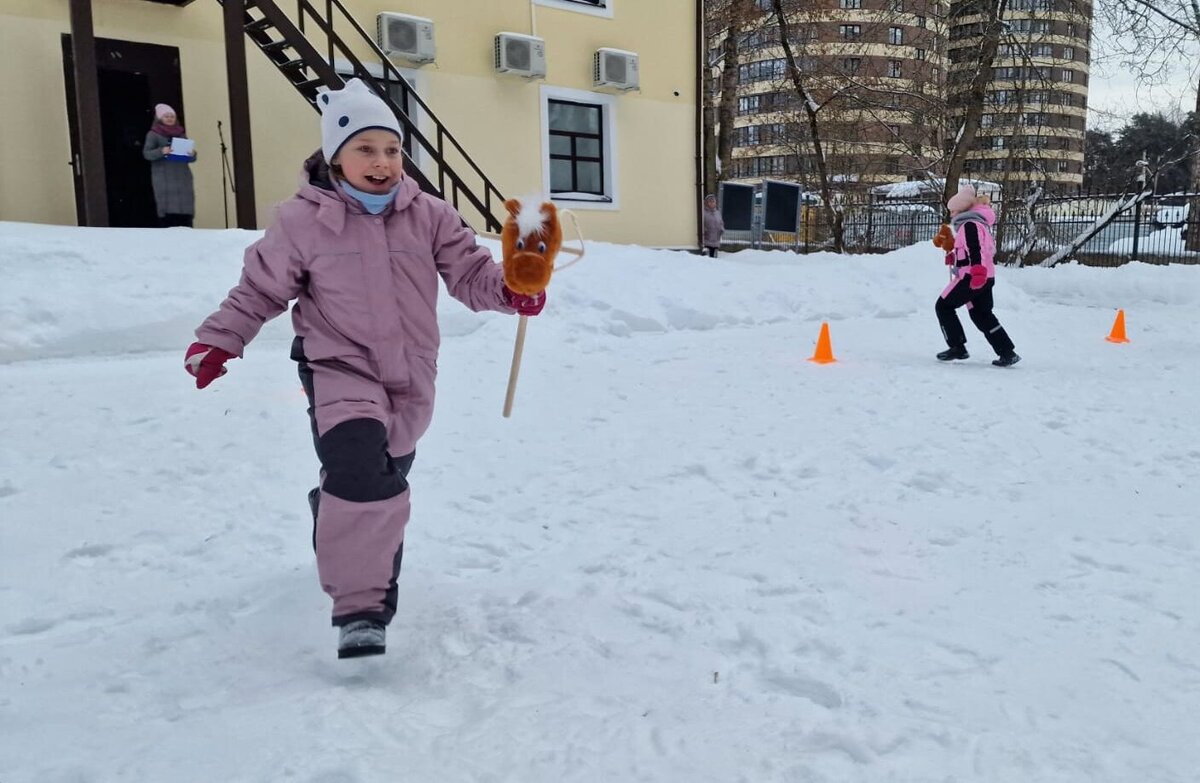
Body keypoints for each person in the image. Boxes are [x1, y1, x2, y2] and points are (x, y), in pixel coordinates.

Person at [182, 79, 546, 659]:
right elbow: (259, 290)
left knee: (385, 473)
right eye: (365, 149)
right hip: (337, 365)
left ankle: (333, 506)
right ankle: (362, 609)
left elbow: (470, 274)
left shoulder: (429, 215)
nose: (381, 162)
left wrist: (515, 288)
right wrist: (220, 340)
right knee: (360, 467)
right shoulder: (302, 222)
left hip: (411, 373)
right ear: (335, 156)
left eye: (392, 150)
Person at [934, 185, 1020, 367]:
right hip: (986, 277)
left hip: (972, 278)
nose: (951, 215)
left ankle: (957, 347)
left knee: (943, 306)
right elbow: (980, 249)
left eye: (953, 211)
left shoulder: (969, 225)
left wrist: (977, 271)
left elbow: (976, 249)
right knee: (982, 314)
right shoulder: (979, 224)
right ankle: (1006, 351)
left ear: (962, 209)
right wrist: (955, 256)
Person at [142, 104, 197, 227]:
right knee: (168, 207)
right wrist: (162, 151)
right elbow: (147, 154)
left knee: (185, 206)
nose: (169, 119)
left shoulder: (181, 134)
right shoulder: (153, 134)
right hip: (164, 177)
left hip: (182, 176)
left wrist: (192, 154)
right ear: (160, 118)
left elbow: (190, 158)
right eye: (166, 116)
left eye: (172, 116)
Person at [702, 193, 724, 257]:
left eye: (713, 201)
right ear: (706, 203)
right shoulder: (703, 212)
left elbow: (721, 222)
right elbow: (701, 223)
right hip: (706, 241)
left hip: (716, 241)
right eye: (710, 201)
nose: (712, 203)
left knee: (714, 262)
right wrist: (704, 229)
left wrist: (721, 229)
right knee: (707, 260)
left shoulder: (717, 213)